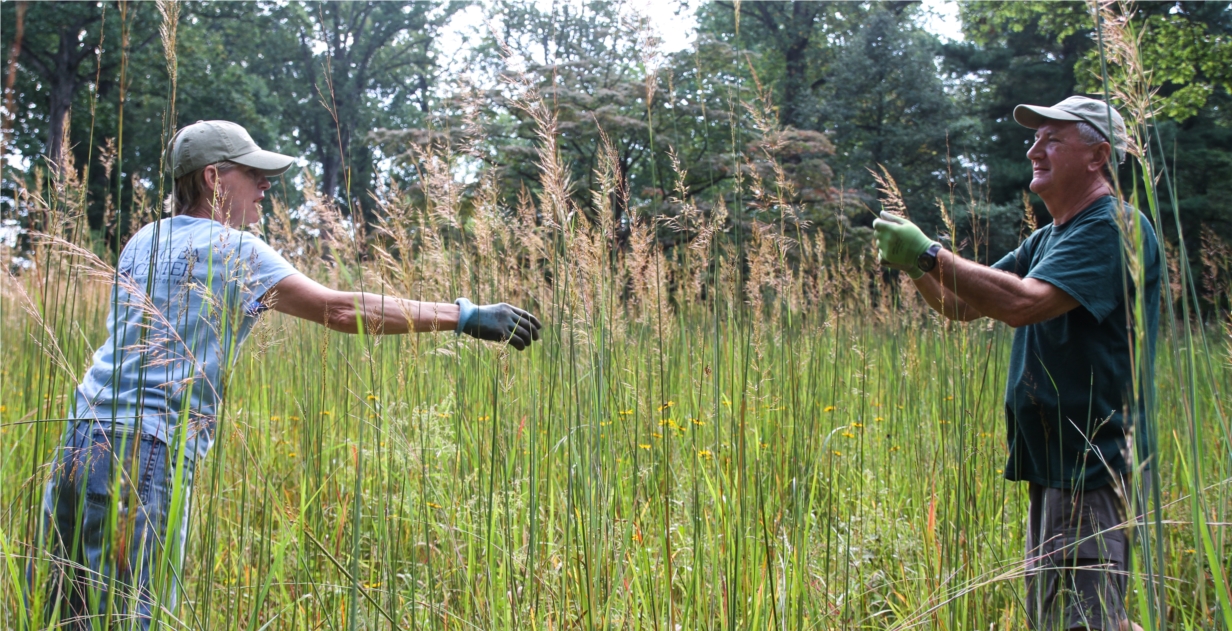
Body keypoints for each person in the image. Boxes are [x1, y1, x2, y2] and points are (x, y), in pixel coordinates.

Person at [35, 120, 543, 630]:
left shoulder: (142, 240)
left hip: (80, 437)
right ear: (214, 177)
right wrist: (465, 316)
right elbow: (342, 311)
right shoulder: (233, 250)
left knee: (68, 614)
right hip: (143, 451)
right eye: (253, 173)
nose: (265, 186)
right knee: (129, 616)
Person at [873, 96, 1159, 630]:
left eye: (1053, 139)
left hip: (1092, 462)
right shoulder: (1049, 237)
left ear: (1098, 156)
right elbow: (958, 305)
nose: (1034, 149)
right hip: (1053, 460)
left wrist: (933, 252)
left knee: (1083, 621)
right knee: (1073, 617)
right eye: (1035, 138)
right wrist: (914, 265)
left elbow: (1023, 304)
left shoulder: (1112, 225)